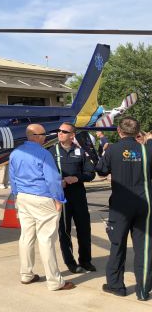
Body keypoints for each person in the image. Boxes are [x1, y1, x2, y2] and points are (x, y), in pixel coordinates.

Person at [9, 123, 74, 291]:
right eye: (44, 134)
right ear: (37, 136)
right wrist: (59, 199)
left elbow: (12, 178)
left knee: (26, 237)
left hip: (23, 197)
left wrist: (17, 197)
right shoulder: (44, 154)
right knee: (46, 239)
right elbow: (52, 180)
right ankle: (54, 281)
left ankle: (26, 274)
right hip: (42, 198)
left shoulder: (15, 153)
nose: (46, 137)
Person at [96, 116, 152, 301]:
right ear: (138, 132)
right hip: (144, 204)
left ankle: (116, 285)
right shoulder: (146, 150)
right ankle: (143, 289)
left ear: (119, 131)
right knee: (144, 247)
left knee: (117, 245)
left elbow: (101, 170)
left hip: (120, 205)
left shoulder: (113, 149)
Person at [48, 122, 96, 274]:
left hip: (79, 196)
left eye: (64, 131)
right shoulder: (51, 152)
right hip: (61, 198)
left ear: (72, 135)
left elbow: (91, 173)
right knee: (65, 231)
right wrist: (57, 182)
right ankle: (71, 263)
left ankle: (86, 260)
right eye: (59, 130)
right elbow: (45, 174)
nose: (60, 133)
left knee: (84, 229)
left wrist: (77, 178)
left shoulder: (80, 152)